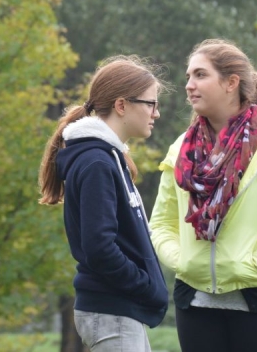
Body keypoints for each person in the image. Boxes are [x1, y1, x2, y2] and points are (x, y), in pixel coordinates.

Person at [149, 39, 257, 352]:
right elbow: (161, 224)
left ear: (231, 83)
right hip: (196, 302)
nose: (189, 85)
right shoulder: (181, 150)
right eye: (188, 76)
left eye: (200, 75)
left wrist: (253, 265)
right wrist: (183, 261)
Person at [39, 56, 170, 352]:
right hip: (112, 309)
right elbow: (99, 248)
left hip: (120, 310)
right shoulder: (96, 162)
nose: (156, 113)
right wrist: (146, 285)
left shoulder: (108, 158)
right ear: (121, 105)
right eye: (151, 103)